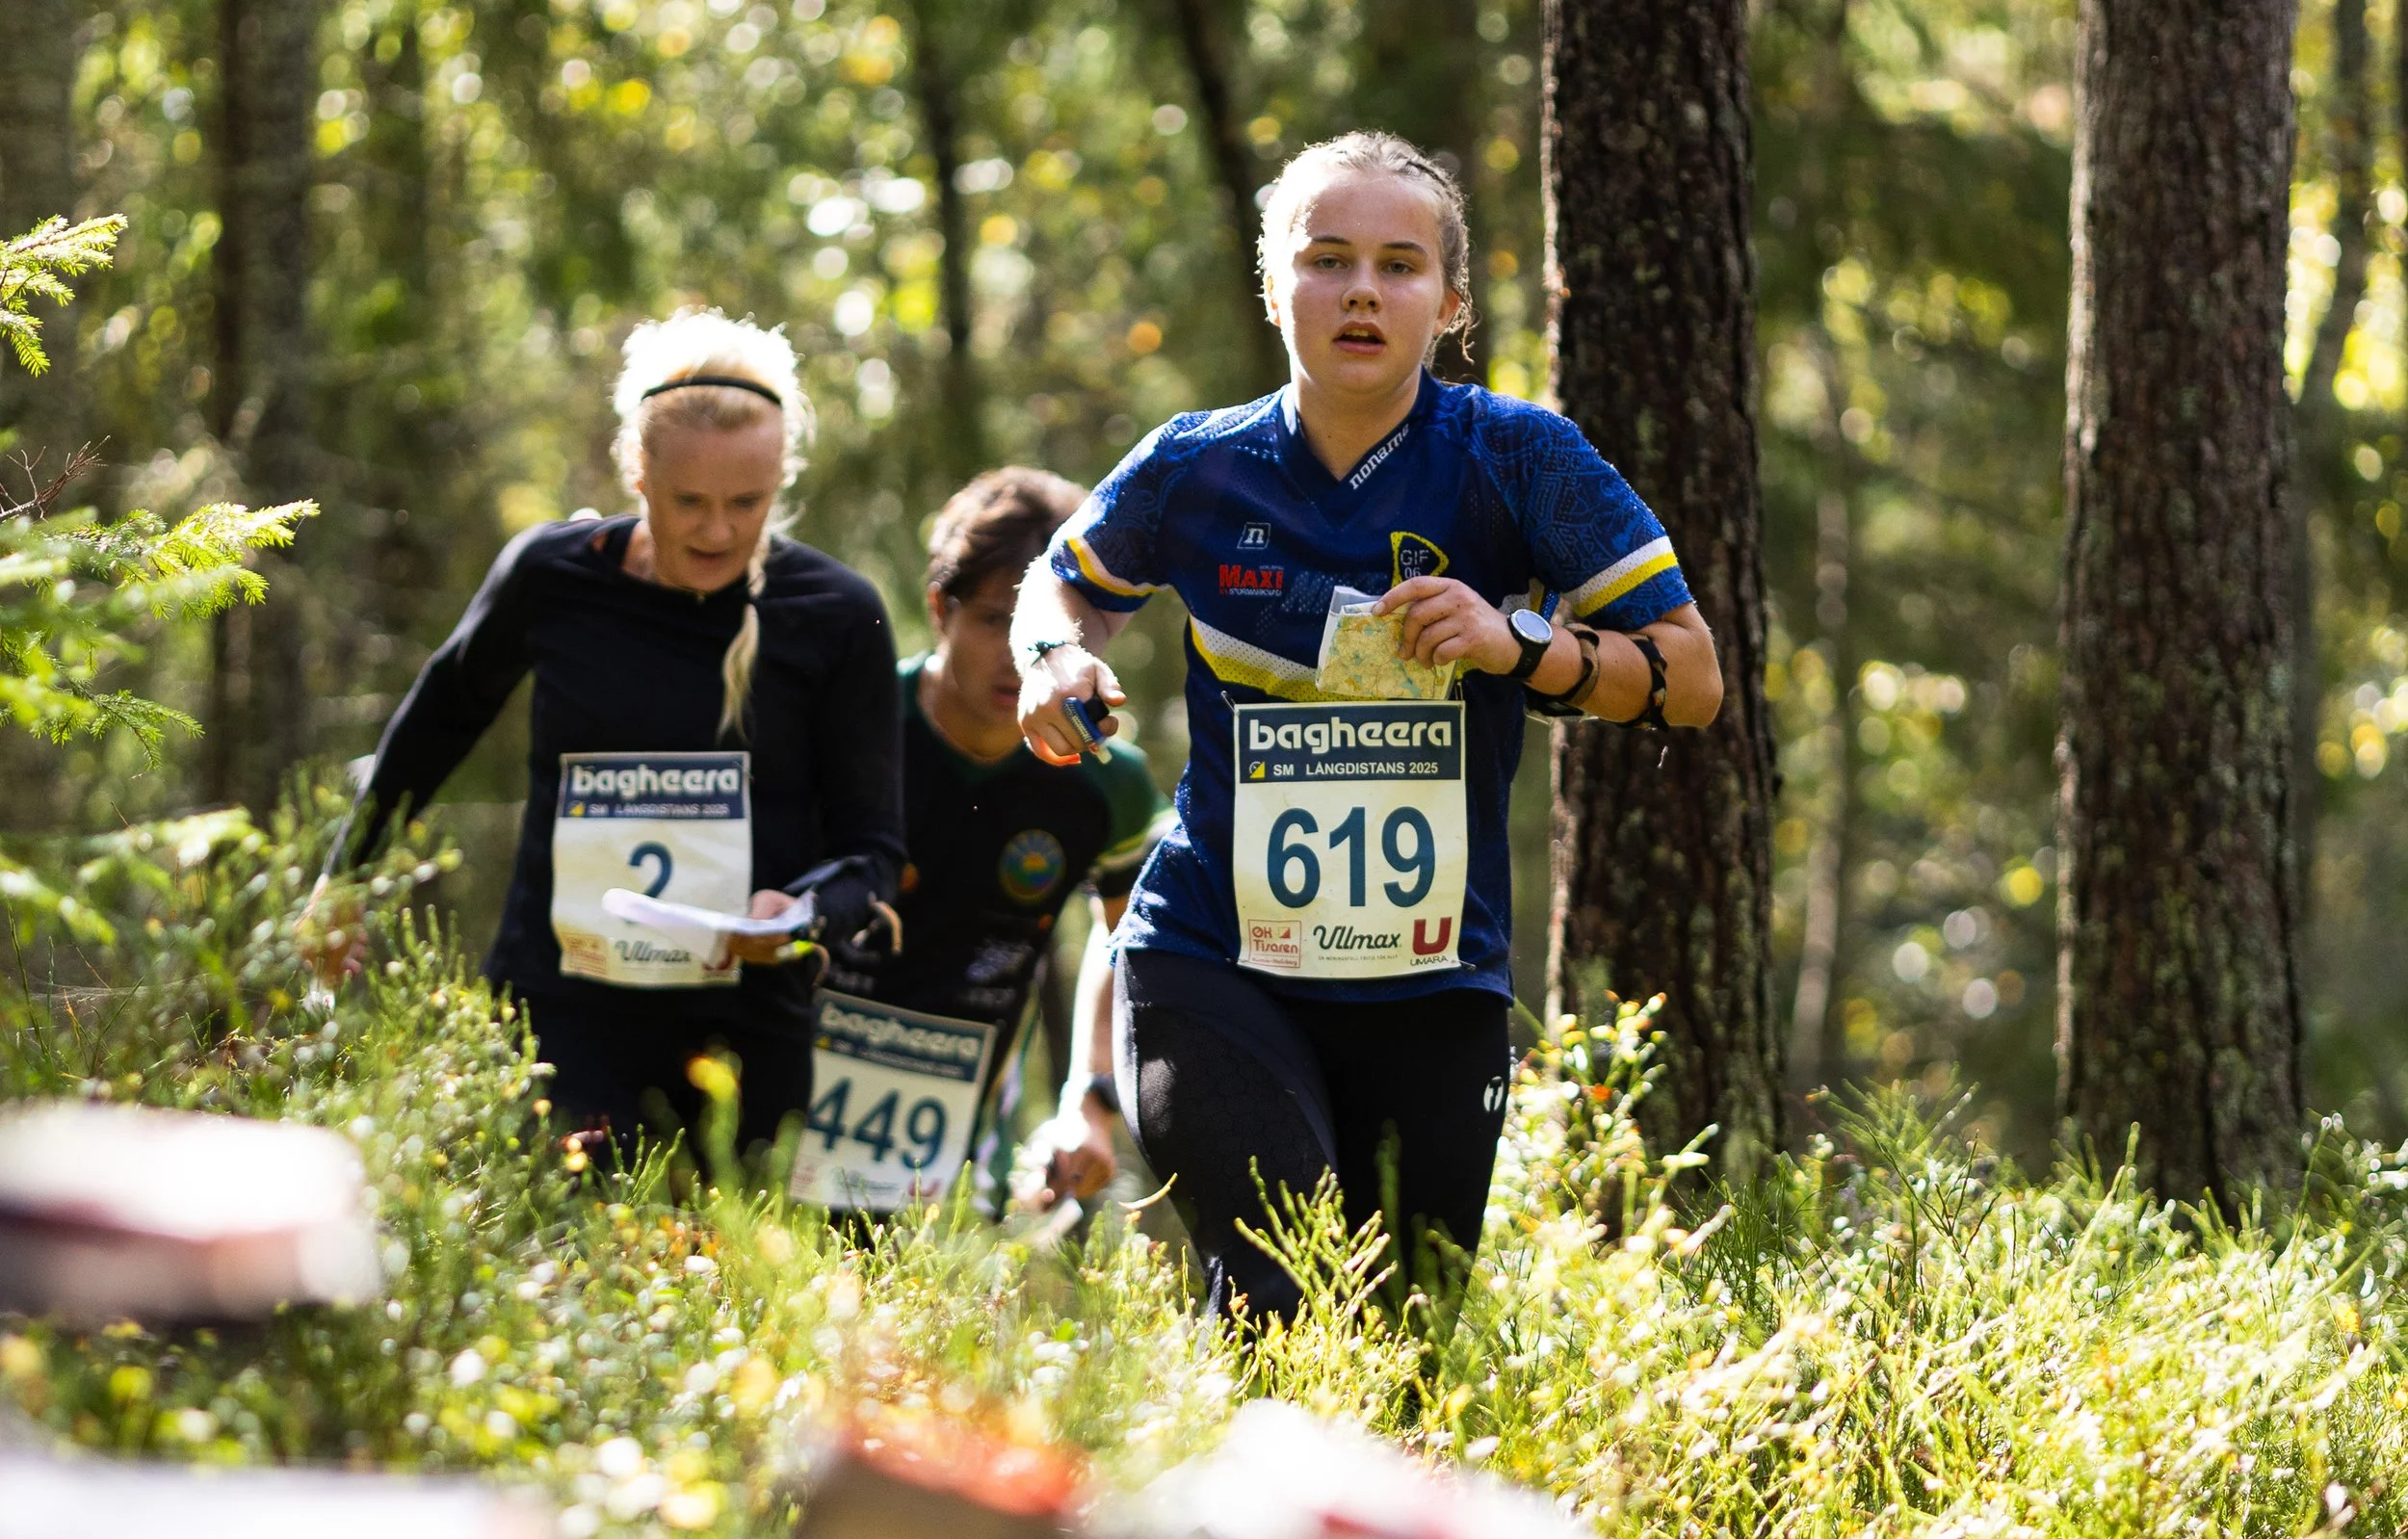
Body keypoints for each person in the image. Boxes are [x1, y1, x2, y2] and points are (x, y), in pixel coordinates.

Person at [1012, 128, 1722, 1328]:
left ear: (1448, 303)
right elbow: (1058, 577)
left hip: (1430, 977)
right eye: (1326, 257)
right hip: (1210, 953)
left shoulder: (1517, 456)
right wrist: (1052, 651)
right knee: (1282, 1295)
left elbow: (1691, 677)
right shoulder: (1195, 464)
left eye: (1398, 266)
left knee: (1398, 1342)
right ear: (1273, 282)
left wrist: (1515, 644)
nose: (1359, 290)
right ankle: (1209, 1506)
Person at [304, 311, 904, 1165]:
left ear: (781, 478)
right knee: (547, 1257)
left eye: (747, 502)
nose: (717, 531)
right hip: (559, 1014)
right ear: (636, 470)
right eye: (688, 501)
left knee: (723, 1279)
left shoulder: (836, 615)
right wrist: (344, 880)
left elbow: (872, 850)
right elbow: (435, 726)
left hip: (742, 1032)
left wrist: (802, 907)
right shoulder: (553, 577)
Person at [796, 466, 1165, 1218]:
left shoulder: (1109, 785)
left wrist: (1088, 1097)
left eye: (1046, 630)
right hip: (779, 1121)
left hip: (956, 1174)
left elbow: (1131, 940)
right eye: (996, 619)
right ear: (941, 608)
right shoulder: (844, 733)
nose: (1019, 654)